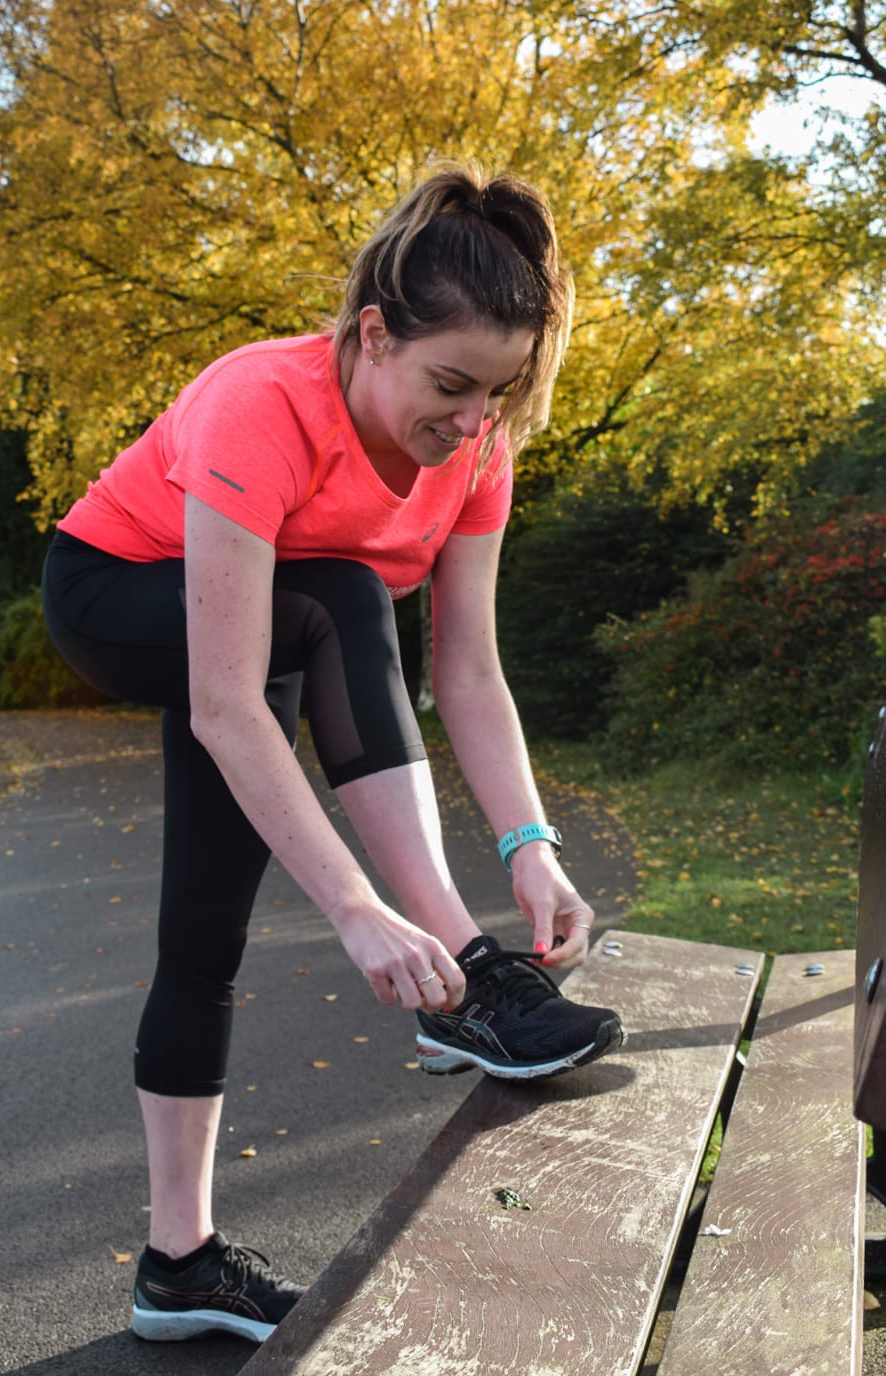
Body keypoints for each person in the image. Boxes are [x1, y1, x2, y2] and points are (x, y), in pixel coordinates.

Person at [41, 162, 623, 1345]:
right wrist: (361, 910)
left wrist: (531, 847)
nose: (472, 422)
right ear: (371, 335)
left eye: (497, 396)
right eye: (450, 385)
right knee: (345, 600)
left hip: (271, 629)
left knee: (202, 938)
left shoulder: (476, 447)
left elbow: (464, 668)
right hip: (117, 593)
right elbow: (224, 698)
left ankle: (178, 1264)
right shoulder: (265, 400)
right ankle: (465, 978)